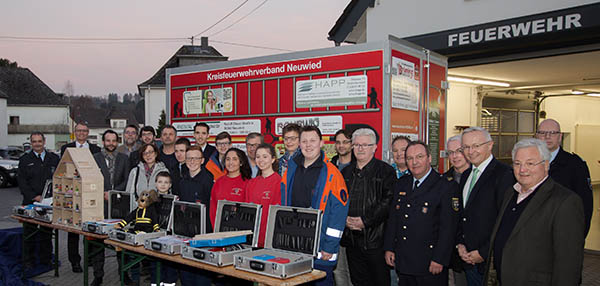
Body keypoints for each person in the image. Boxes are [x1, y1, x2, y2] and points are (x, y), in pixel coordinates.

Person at [483, 138, 585, 285]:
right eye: (517, 164)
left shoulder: (565, 202)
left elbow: (568, 265)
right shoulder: (510, 194)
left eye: (530, 163)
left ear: (546, 165)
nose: (522, 169)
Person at [384, 141, 461, 286]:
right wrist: (389, 248)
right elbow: (394, 219)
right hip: (404, 260)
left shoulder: (445, 186)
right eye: (410, 158)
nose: (414, 162)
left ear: (429, 158)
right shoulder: (402, 183)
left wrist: (440, 259)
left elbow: (448, 228)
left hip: (429, 263)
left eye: (419, 157)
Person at [281, 125, 349, 286]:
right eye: (304, 141)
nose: (308, 145)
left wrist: (329, 246)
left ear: (321, 143)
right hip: (294, 245)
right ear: (299, 144)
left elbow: (338, 214)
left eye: (313, 140)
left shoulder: (332, 174)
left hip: (321, 249)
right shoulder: (290, 169)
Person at [456, 127, 515, 286]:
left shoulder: (504, 175)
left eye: (476, 146)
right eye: (466, 147)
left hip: (488, 261)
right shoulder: (467, 175)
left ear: (490, 145)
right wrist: (460, 244)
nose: (471, 151)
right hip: (467, 257)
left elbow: (506, 220)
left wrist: (484, 252)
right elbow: (463, 214)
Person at [340, 128, 396, 286]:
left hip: (376, 241)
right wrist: (344, 219)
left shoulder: (386, 171)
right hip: (351, 240)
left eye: (365, 145)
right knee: (358, 282)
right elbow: (338, 200)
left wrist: (365, 221)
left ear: (375, 147)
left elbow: (388, 202)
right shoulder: (346, 172)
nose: (360, 148)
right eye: (357, 145)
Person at [535, 118, 593, 236]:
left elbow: (585, 204)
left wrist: (579, 237)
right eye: (542, 133)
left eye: (553, 133)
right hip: (535, 232)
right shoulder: (528, 163)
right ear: (536, 136)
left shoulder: (575, 165)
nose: (547, 137)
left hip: (563, 231)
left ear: (560, 136)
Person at [91, 129, 131, 286]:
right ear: (103, 142)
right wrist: (102, 192)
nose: (111, 144)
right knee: (97, 241)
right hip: (100, 205)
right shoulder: (95, 158)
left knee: (121, 241)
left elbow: (127, 179)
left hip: (119, 205)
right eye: (108, 141)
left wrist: (113, 193)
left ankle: (124, 273)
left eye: (114, 141)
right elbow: (91, 179)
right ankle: (98, 275)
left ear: (117, 142)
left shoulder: (124, 158)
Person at [60, 121, 101, 273]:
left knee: (90, 229)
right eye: (79, 131)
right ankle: (75, 261)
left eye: (84, 131)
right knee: (73, 230)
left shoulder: (96, 149)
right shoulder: (66, 148)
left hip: (90, 193)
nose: (82, 133)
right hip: (74, 193)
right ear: (75, 132)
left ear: (88, 132)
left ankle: (90, 258)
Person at [18, 132, 59, 272]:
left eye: (39, 141)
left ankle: (46, 260)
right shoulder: (24, 160)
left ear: (44, 141)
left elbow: (59, 178)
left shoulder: (53, 158)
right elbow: (22, 182)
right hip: (30, 202)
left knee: (47, 234)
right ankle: (28, 261)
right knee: (29, 234)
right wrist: (34, 197)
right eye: (34, 141)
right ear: (31, 142)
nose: (37, 144)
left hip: (48, 204)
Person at [443, 135, 470, 286]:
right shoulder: (443, 181)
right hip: (451, 253)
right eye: (450, 152)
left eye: (459, 151)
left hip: (474, 251)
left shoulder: (478, 178)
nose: (454, 156)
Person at [246, 143, 282, 247]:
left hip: (270, 239)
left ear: (273, 159)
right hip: (252, 238)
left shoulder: (279, 183)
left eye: (265, 156)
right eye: (258, 157)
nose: (261, 160)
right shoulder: (251, 183)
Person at [210, 148, 251, 226]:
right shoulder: (219, 182)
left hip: (239, 230)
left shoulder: (248, 183)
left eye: (235, 159)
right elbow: (213, 209)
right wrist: (216, 228)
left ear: (241, 162)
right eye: (228, 159)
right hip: (219, 229)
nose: (230, 162)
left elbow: (248, 212)